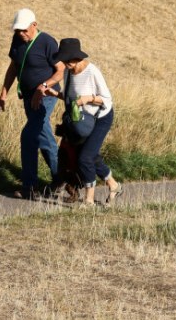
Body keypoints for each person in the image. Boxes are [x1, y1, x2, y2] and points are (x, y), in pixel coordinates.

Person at [0, 8, 65, 200]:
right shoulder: (17, 40)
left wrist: (44, 86)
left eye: (24, 30)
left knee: (28, 136)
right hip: (27, 97)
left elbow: (60, 71)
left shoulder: (47, 42)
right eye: (18, 31)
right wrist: (3, 94)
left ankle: (30, 187)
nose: (21, 34)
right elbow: (13, 67)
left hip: (45, 97)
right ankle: (63, 179)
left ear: (34, 25)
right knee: (43, 135)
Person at [49, 37, 122, 206]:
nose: (65, 63)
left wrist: (87, 99)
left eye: (68, 60)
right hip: (82, 122)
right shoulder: (68, 72)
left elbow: (106, 99)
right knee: (92, 155)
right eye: (63, 60)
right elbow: (72, 99)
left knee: (85, 158)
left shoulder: (92, 72)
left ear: (78, 57)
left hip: (101, 117)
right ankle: (114, 186)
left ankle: (89, 201)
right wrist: (56, 94)